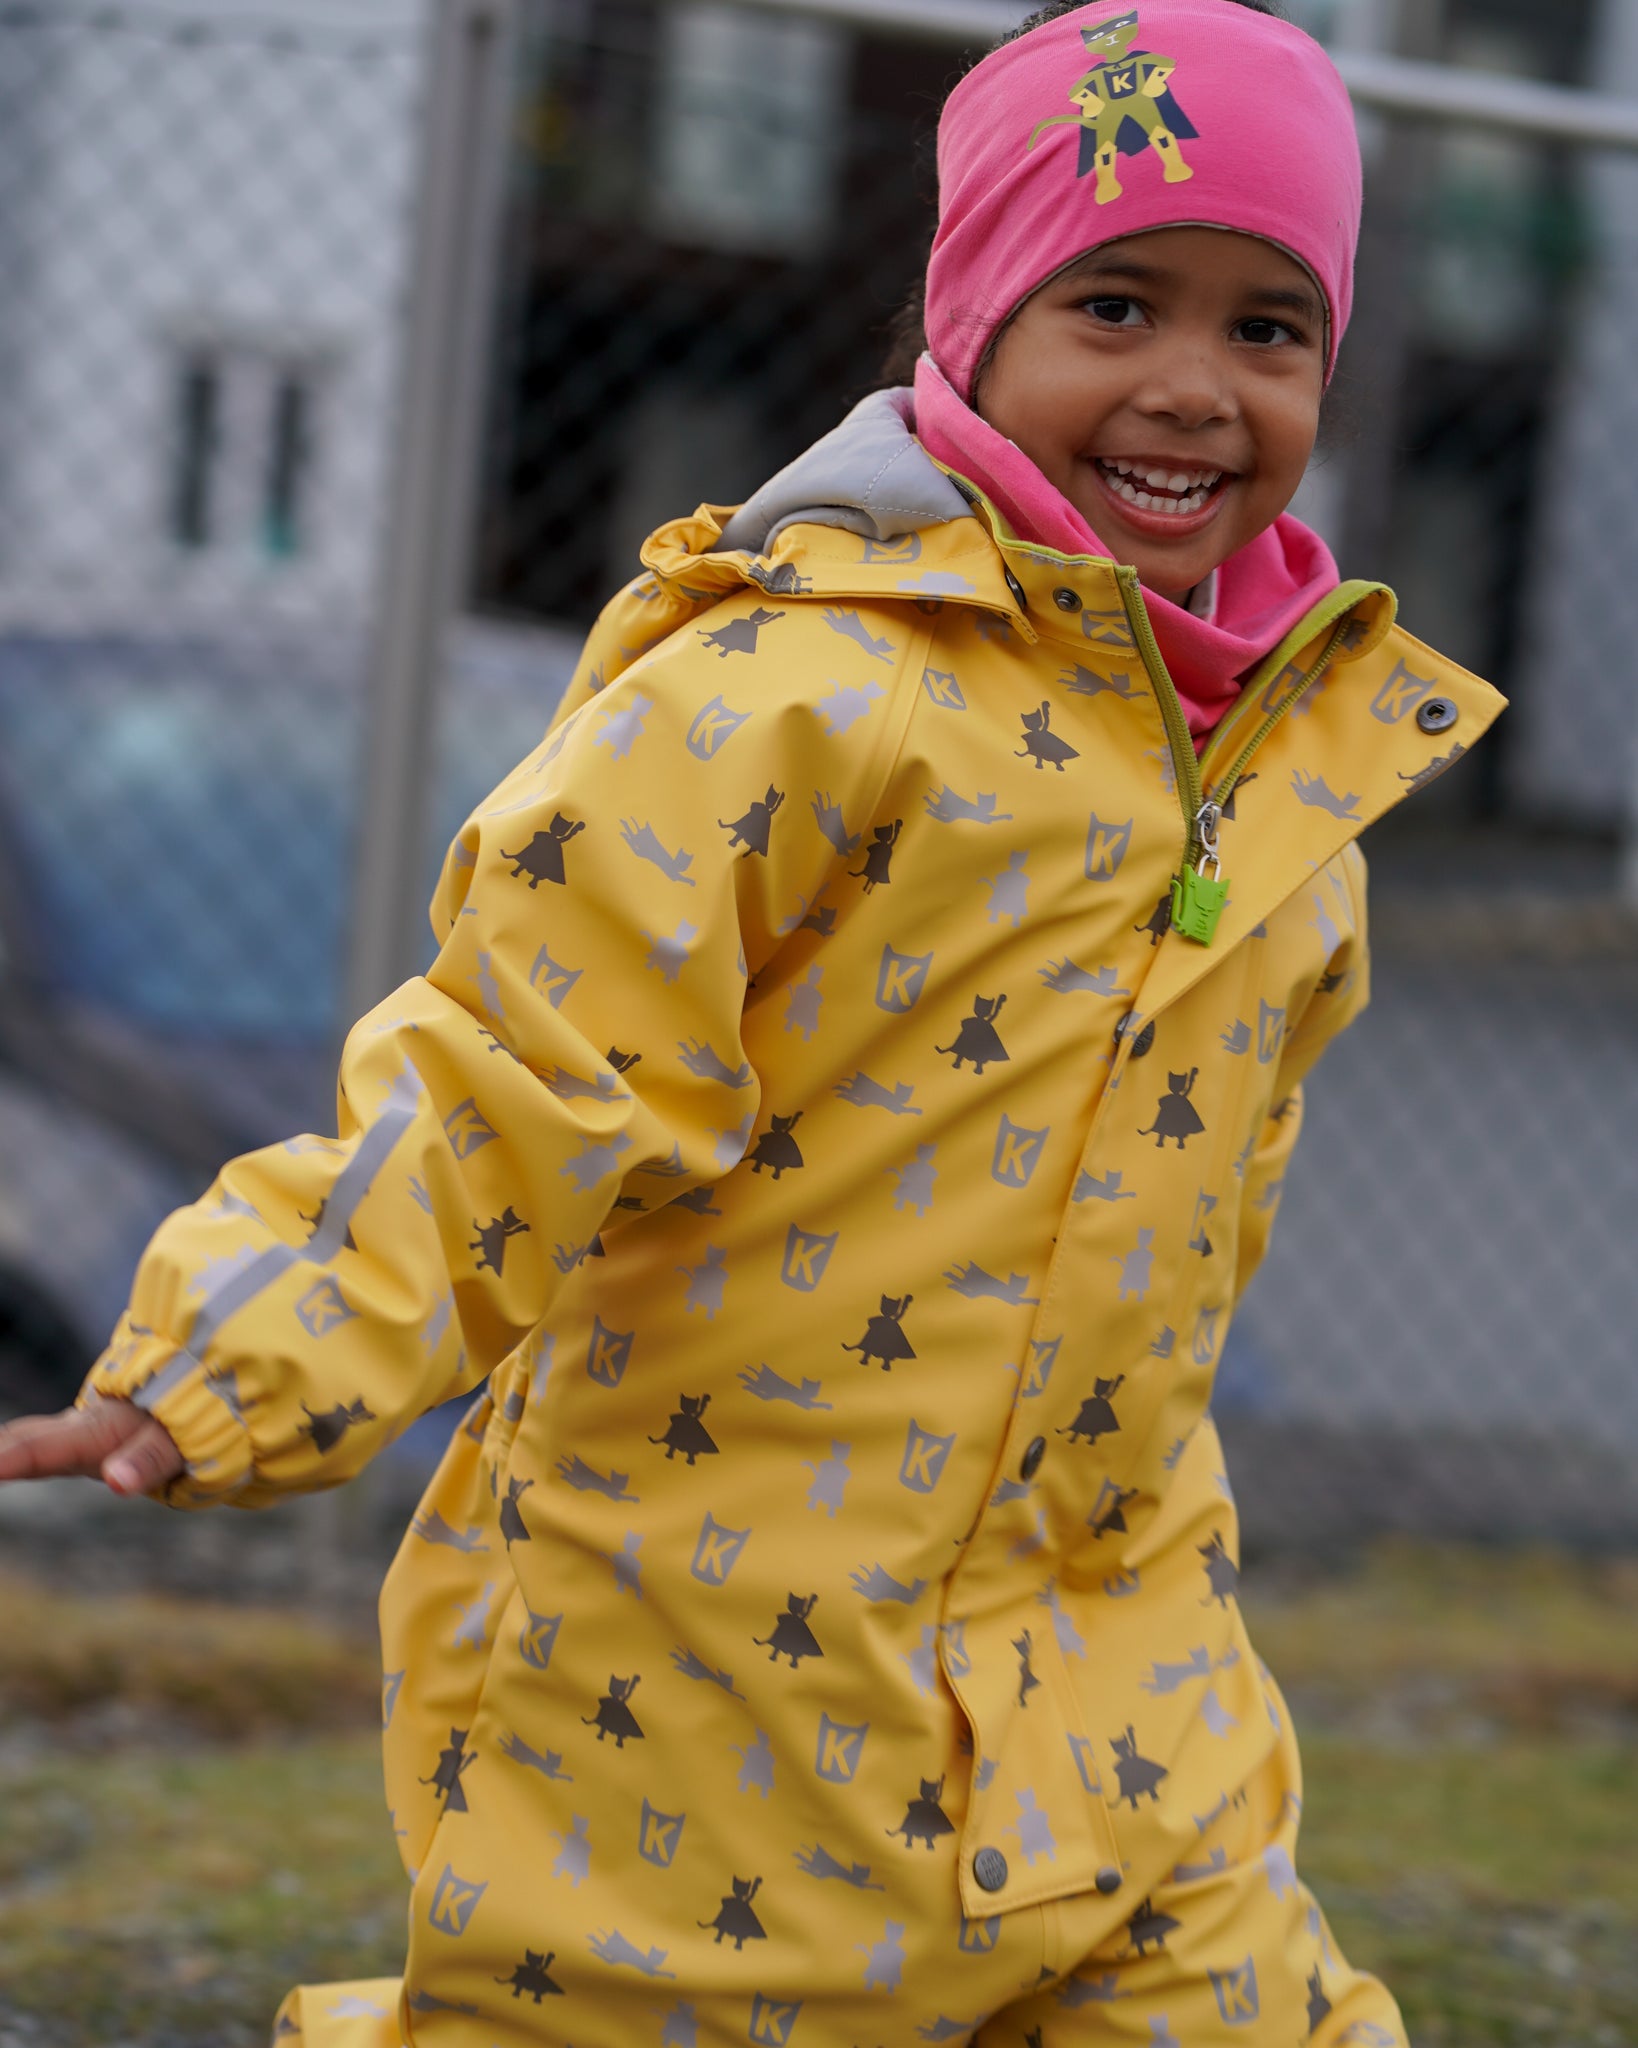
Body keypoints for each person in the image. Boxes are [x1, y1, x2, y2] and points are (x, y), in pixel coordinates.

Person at [0, 3, 1504, 2042]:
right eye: (1117, 304)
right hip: (709, 1653)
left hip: (1111, 1661)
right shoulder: (791, 694)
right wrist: (235, 1353)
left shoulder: (1283, 775)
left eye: (1268, 328)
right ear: (969, 326)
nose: (1191, 385)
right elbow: (516, 1070)